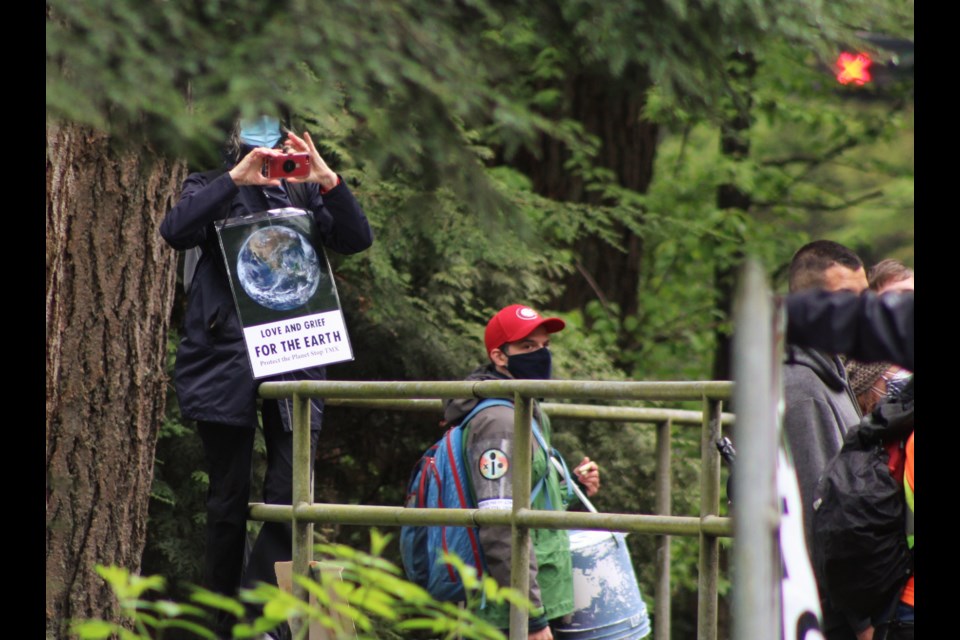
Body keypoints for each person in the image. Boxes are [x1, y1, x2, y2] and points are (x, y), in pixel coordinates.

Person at [160, 114, 374, 637]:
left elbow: (356, 238)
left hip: (296, 355)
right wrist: (235, 180)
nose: (270, 155)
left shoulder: (304, 192)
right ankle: (224, 620)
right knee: (228, 505)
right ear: (236, 146)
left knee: (290, 491)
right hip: (224, 361)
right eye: (259, 146)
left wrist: (326, 179)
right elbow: (175, 230)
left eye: (278, 144)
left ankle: (262, 619)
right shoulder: (211, 186)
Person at [442, 304, 601, 640]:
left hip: (540, 590)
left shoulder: (525, 406)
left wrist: (575, 488)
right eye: (527, 347)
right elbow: (500, 524)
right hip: (505, 611)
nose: (540, 355)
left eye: (544, 346)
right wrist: (528, 619)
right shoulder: (499, 421)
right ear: (500, 357)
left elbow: (528, 494)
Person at [781, 240, 872, 640]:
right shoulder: (801, 386)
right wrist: (861, 619)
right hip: (825, 613)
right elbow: (820, 519)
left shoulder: (830, 370)